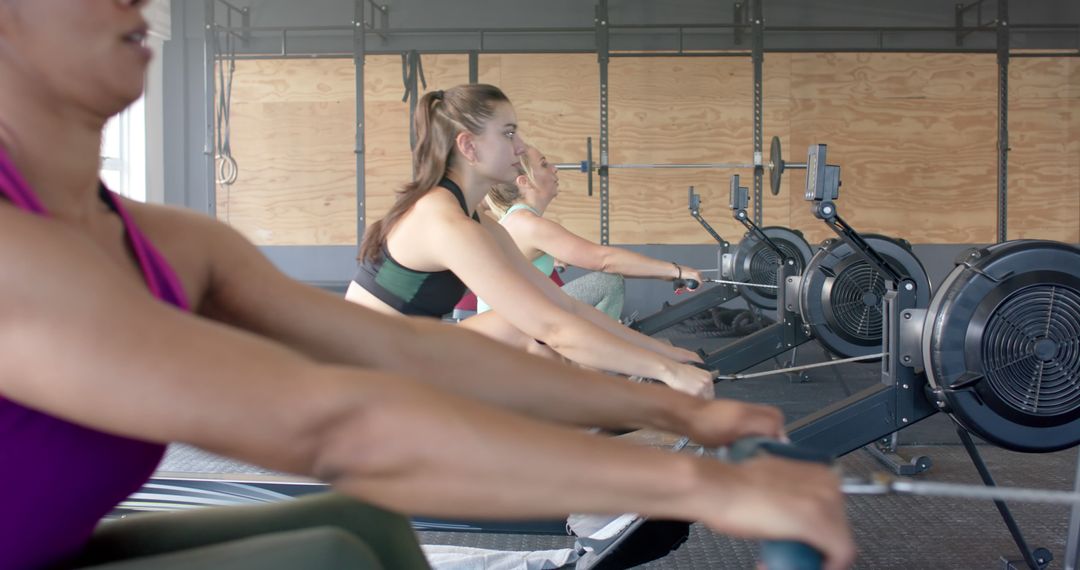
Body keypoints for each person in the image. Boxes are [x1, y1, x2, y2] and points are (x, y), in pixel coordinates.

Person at [0, 1, 855, 569]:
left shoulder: (170, 240)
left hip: (61, 544)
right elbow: (335, 422)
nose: (134, 3)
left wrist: (676, 409)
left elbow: (407, 345)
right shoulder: (17, 251)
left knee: (360, 534)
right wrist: (687, 477)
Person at [345, 84, 713, 397]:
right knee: (525, 332)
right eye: (508, 133)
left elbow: (562, 306)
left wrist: (666, 356)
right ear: (469, 148)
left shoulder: (479, 223)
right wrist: (668, 373)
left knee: (529, 332)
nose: (520, 146)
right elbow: (552, 328)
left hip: (405, 352)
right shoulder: (447, 224)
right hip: (367, 377)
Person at [477, 144, 706, 320]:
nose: (555, 168)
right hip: (510, 330)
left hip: (513, 322)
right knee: (607, 281)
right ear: (524, 181)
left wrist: (663, 273)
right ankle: (597, 366)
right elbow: (604, 260)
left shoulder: (518, 220)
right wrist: (675, 271)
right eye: (545, 164)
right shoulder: (528, 224)